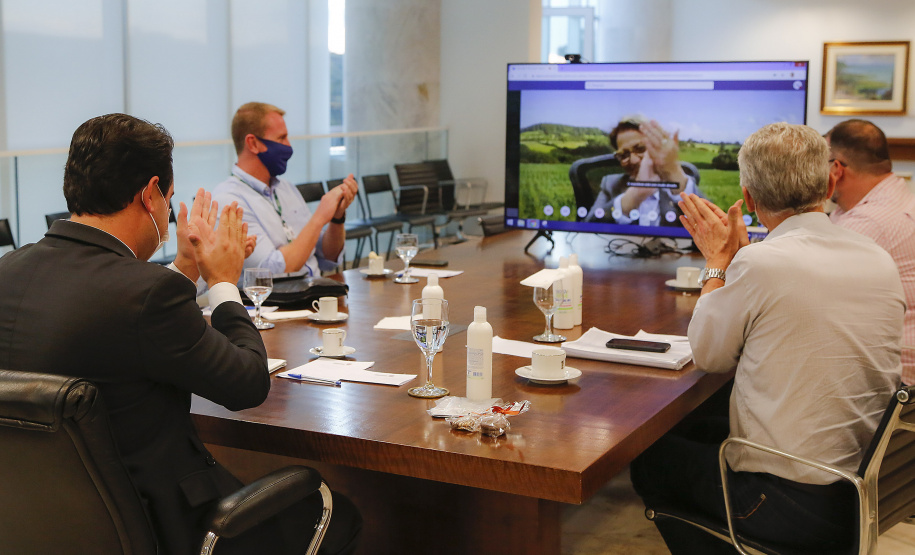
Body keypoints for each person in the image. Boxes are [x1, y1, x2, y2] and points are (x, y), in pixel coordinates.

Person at [0, 114, 360, 555]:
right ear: (150, 194)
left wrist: (187, 269)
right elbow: (247, 384)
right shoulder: (145, 294)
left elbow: (120, 322)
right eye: (169, 200)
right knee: (340, 516)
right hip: (169, 529)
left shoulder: (9, 271)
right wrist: (225, 281)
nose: (169, 213)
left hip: (41, 527)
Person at [630, 122, 904, 553]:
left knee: (650, 458)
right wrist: (741, 258)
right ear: (828, 180)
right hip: (860, 491)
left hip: (784, 503)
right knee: (700, 423)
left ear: (750, 198)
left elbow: (708, 355)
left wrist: (719, 263)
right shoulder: (877, 258)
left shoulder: (761, 264)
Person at [213, 102, 359, 279]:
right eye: (281, 139)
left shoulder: (286, 189)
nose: (288, 147)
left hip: (315, 293)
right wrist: (320, 216)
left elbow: (328, 255)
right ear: (253, 143)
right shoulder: (229, 200)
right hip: (276, 304)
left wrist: (337, 217)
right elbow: (272, 271)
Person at [826, 118, 915, 385]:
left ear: (836, 169)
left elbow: (803, 293)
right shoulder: (896, 194)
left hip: (893, 388)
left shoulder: (867, 224)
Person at [584, 116, 701, 226]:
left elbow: (711, 227)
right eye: (624, 155)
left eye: (640, 148)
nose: (634, 160)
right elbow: (587, 227)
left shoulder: (678, 182)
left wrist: (674, 172)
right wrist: (636, 194)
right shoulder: (611, 184)